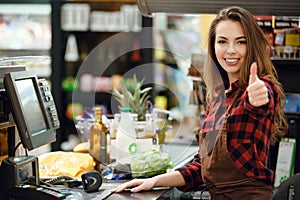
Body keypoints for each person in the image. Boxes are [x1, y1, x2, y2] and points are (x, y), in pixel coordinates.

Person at [113, 6, 288, 199]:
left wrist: (258, 97)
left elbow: (260, 102)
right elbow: (201, 167)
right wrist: (154, 181)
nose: (230, 50)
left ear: (252, 46)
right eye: (222, 41)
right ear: (213, 47)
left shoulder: (261, 88)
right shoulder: (218, 99)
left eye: (241, 42)